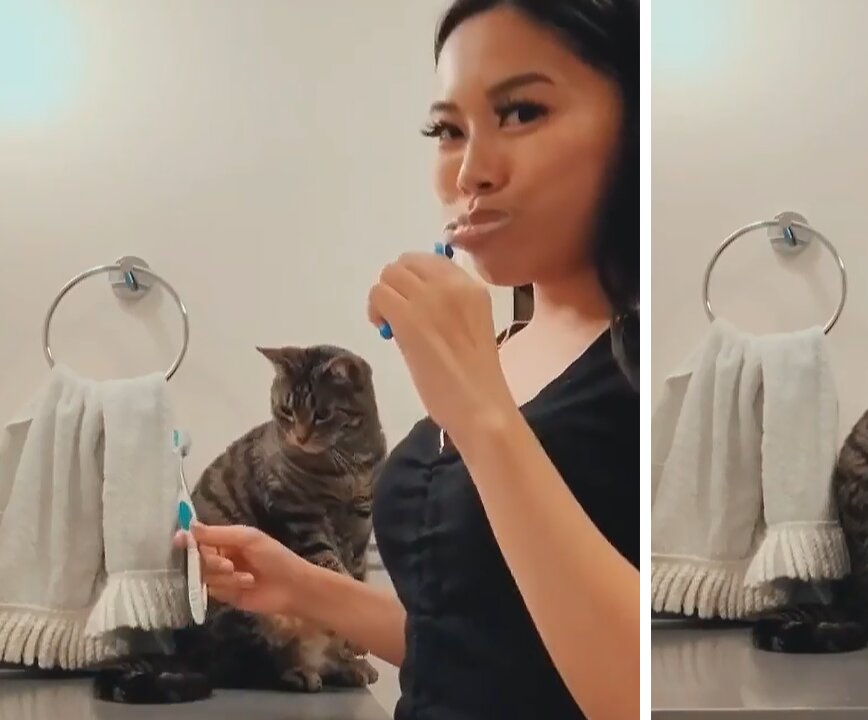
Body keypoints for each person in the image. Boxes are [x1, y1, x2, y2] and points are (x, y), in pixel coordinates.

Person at [178, 1, 640, 718]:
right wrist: (302, 587)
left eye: (521, 112)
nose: (471, 171)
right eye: (447, 131)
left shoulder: (637, 362)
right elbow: (480, 645)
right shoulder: (506, 350)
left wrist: (482, 416)